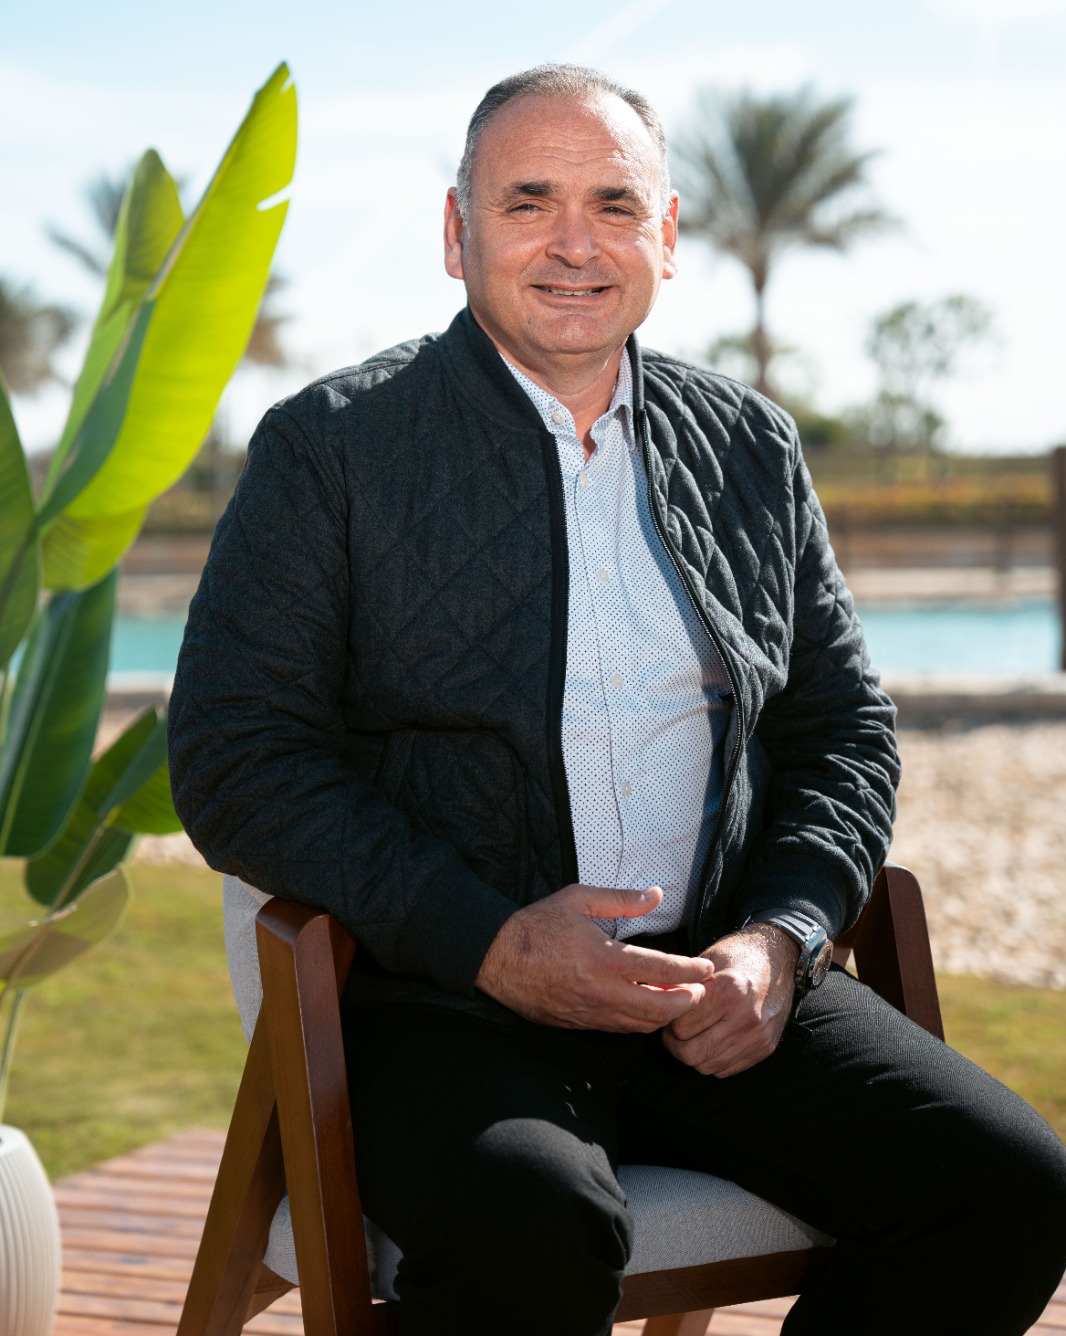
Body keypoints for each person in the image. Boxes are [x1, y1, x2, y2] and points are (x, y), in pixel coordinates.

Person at [169, 64, 1066, 1336]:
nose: (575, 244)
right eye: (528, 201)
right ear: (456, 232)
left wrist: (780, 938)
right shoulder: (330, 449)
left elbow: (840, 731)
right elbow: (235, 755)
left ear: (668, 234)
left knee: (1006, 1194)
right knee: (527, 1224)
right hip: (445, 997)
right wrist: (491, 939)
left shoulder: (752, 447)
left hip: (714, 988)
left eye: (614, 203)